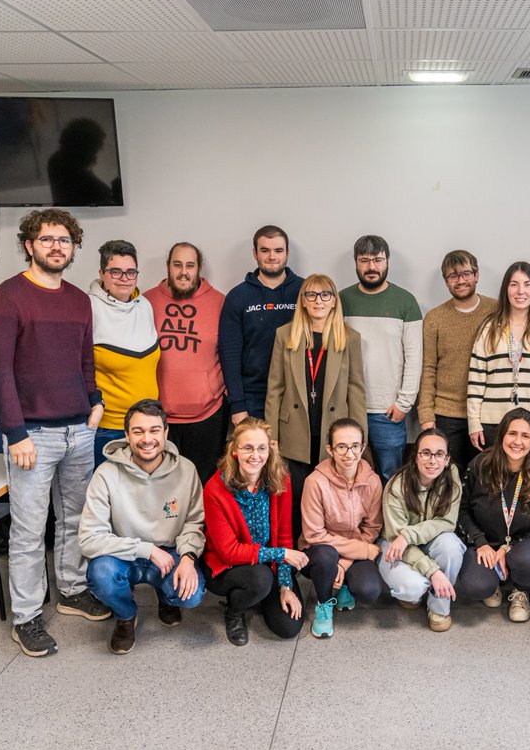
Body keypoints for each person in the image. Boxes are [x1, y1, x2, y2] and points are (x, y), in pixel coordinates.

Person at [0, 208, 111, 658]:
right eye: (47, 238)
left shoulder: (79, 300)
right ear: (29, 244)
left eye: (65, 239)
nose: (57, 246)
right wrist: (15, 434)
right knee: (29, 530)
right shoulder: (8, 299)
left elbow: (84, 360)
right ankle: (26, 618)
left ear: (73, 247)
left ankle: (72, 591)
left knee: (76, 520)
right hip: (32, 435)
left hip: (79, 430)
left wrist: (95, 402)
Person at [79, 399, 206, 654]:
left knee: (191, 596)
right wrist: (146, 550)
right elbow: (89, 539)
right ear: (126, 435)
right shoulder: (106, 474)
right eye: (138, 431)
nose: (147, 439)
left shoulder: (186, 470)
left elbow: (194, 522)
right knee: (100, 574)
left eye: (154, 430)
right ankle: (126, 616)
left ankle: (165, 596)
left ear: (166, 432)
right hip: (124, 555)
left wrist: (189, 558)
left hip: (170, 552)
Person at [266, 274, 367, 540]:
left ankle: (322, 552)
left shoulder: (349, 338)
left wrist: (359, 439)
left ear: (334, 301)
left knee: (328, 497)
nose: (318, 301)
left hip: (332, 433)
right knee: (295, 496)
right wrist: (271, 438)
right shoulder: (285, 335)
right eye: (311, 294)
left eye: (325, 295)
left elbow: (356, 390)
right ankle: (294, 555)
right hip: (294, 432)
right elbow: (275, 389)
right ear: (303, 301)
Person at [202, 417, 307, 646]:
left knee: (288, 626)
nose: (255, 455)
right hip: (227, 566)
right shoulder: (215, 489)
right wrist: (281, 555)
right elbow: (229, 551)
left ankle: (260, 593)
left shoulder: (280, 480)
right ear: (235, 451)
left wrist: (286, 586)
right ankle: (234, 609)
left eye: (261, 448)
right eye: (247, 448)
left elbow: (285, 537)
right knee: (260, 579)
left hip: (265, 564)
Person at [455, 408, 530, 623]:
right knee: (477, 586)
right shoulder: (480, 466)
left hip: (521, 545)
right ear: (502, 435)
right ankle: (492, 584)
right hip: (483, 546)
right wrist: (480, 542)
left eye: (525, 436)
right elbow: (461, 511)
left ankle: (520, 591)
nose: (517, 441)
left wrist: (507, 547)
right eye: (512, 433)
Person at [143, 241, 228, 485]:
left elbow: (230, 353)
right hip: (159, 416)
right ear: (168, 267)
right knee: (161, 487)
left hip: (207, 415)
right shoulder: (146, 302)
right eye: (177, 264)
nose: (183, 272)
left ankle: (200, 526)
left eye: (190, 265)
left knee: (203, 485)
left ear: (199, 268)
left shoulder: (220, 302)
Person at [339, 235, 423, 481]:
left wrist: (404, 404)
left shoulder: (405, 302)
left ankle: (389, 522)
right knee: (350, 478)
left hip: (388, 411)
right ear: (355, 263)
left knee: (390, 477)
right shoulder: (341, 301)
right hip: (348, 407)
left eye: (378, 260)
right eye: (364, 260)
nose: (372, 267)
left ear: (387, 261)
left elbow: (414, 357)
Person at [299, 417, 384, 639]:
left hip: (353, 550)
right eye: (342, 447)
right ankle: (324, 604)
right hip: (318, 552)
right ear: (330, 449)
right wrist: (365, 552)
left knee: (369, 590)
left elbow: (372, 528)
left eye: (355, 446)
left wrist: (345, 564)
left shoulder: (372, 481)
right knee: (327, 556)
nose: (349, 453)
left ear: (362, 447)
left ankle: (345, 583)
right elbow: (314, 535)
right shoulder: (315, 482)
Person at [467, 262, 530, 455]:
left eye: (527, 284)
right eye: (514, 284)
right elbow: (476, 379)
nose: (521, 291)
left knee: (528, 482)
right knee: (493, 480)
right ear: (506, 289)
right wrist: (474, 422)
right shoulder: (489, 327)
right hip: (492, 423)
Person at [377, 429, 466, 632]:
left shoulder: (451, 477)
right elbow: (395, 538)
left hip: (428, 540)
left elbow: (446, 522)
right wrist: (433, 571)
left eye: (439, 454)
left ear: (447, 459)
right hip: (395, 547)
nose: (432, 460)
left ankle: (439, 607)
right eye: (425, 453)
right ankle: (419, 592)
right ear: (415, 456)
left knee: (450, 546)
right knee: (412, 589)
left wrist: (408, 535)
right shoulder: (396, 486)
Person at [419, 250, 496, 474]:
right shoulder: (435, 318)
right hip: (446, 414)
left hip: (486, 412)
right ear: (446, 281)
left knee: (483, 477)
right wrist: (426, 415)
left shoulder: (496, 310)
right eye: (453, 276)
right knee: (449, 479)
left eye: (466, 273)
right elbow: (428, 368)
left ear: (477, 275)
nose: (460, 280)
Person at [220, 225, 303, 425]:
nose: (272, 256)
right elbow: (229, 354)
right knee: (255, 456)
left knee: (293, 457)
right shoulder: (238, 296)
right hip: (253, 398)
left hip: (296, 395)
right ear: (255, 253)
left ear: (287, 253)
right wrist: (238, 405)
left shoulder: (305, 291)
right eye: (265, 250)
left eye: (278, 250)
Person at [87, 239, 160, 467]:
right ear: (102, 273)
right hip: (109, 428)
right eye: (116, 272)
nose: (124, 278)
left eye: (130, 272)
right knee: (108, 498)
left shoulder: (144, 305)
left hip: (147, 426)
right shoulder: (87, 308)